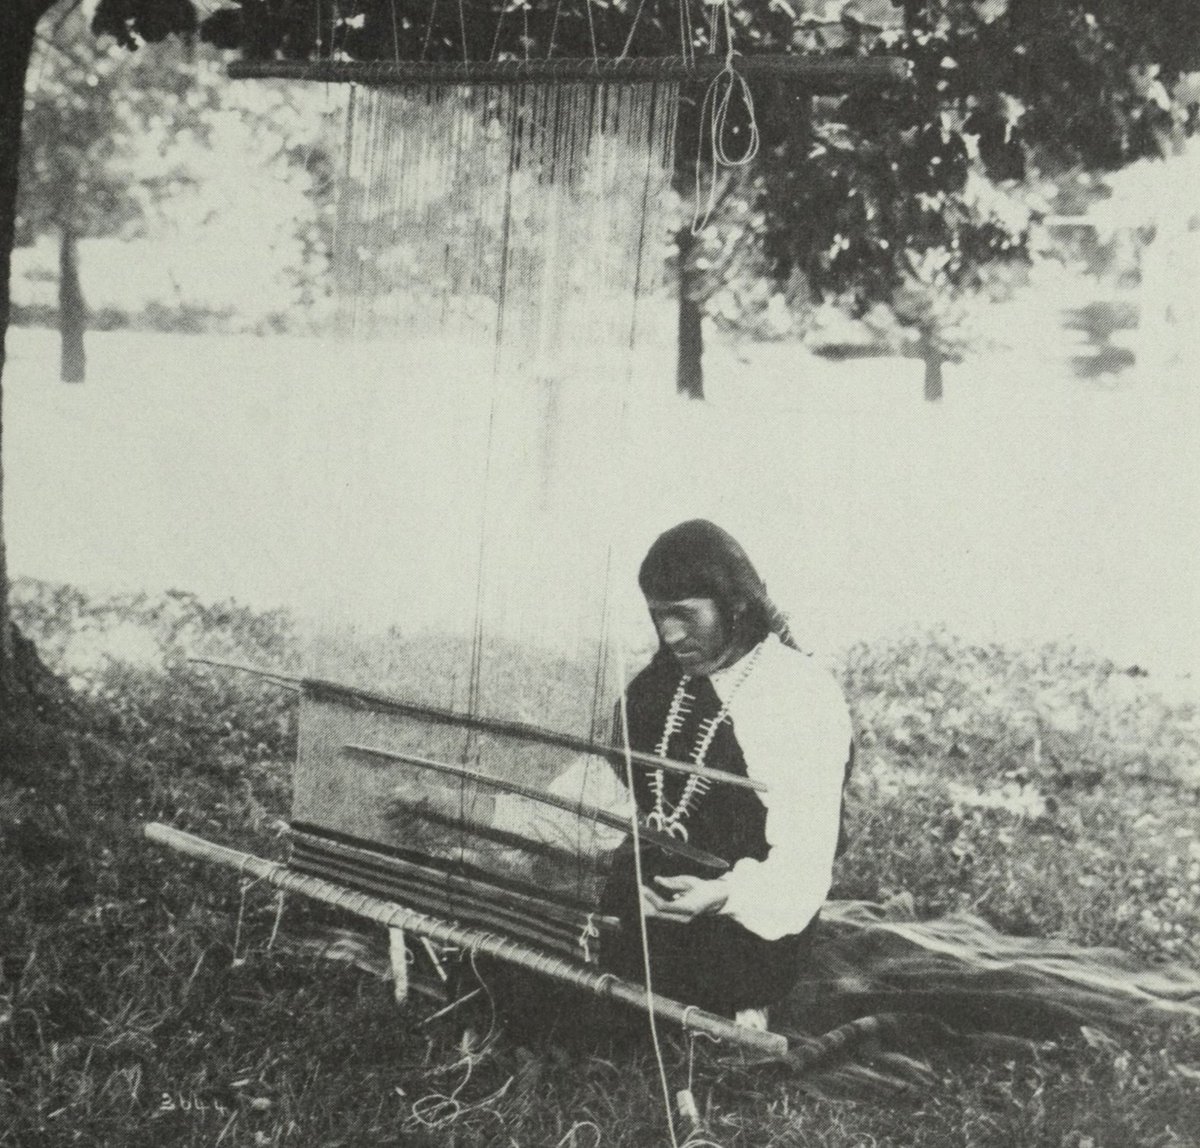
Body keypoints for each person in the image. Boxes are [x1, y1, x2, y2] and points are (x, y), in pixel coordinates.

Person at [600, 520, 855, 1027]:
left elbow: (804, 862)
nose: (669, 634)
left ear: (736, 604)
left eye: (684, 615)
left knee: (623, 1007)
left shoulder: (800, 696)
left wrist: (721, 895)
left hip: (745, 926)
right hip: (655, 901)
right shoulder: (658, 686)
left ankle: (739, 1000)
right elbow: (619, 791)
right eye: (658, 616)